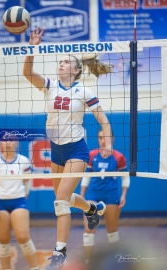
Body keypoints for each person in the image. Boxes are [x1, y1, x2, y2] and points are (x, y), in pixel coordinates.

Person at [23, 27, 113, 270]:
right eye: (59, 61)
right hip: (56, 150)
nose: (61, 64)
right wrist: (33, 47)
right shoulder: (50, 86)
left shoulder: (83, 91)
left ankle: (59, 253)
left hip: (76, 150)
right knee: (63, 198)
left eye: (65, 62)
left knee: (60, 202)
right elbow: (27, 72)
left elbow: (103, 119)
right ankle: (93, 208)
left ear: (76, 69)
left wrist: (109, 142)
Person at [0, 139, 39, 270]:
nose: (8, 143)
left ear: (17, 143)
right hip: (0, 203)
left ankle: (35, 268)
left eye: (11, 140)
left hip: (18, 202)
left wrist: (24, 196)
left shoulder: (23, 160)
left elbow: (27, 182)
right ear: (1, 144)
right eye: (4, 140)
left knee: (23, 237)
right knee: (3, 239)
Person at [80, 130, 130, 264]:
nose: (103, 140)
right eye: (100, 137)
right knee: (88, 229)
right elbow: (86, 177)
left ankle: (114, 263)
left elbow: (125, 178)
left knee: (112, 230)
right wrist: (82, 196)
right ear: (98, 139)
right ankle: (88, 262)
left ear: (112, 139)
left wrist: (124, 195)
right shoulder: (91, 155)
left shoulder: (119, 157)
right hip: (93, 195)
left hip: (111, 195)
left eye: (106, 138)